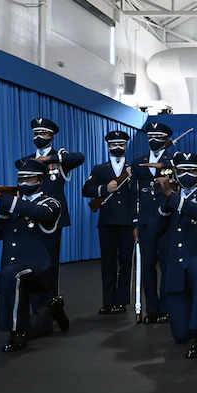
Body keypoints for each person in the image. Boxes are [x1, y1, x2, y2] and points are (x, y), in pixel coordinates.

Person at [0, 158, 65, 353]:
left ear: (41, 180)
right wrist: (2, 211)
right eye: (21, 179)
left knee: (12, 274)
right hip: (14, 266)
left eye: (29, 178)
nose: (24, 183)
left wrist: (1, 197)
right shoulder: (13, 205)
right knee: (10, 274)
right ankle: (48, 312)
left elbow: (36, 212)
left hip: (38, 268)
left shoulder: (51, 203)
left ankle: (16, 333)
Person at [151, 152, 197, 358]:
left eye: (192, 170)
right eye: (182, 170)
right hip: (176, 266)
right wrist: (167, 203)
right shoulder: (170, 199)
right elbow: (153, 231)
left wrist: (173, 198)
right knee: (181, 335)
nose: (187, 175)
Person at [26, 117, 85, 335]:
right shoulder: (28, 160)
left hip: (53, 219)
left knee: (50, 266)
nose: (38, 137)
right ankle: (37, 310)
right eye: (35, 133)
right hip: (33, 219)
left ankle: (50, 307)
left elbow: (79, 157)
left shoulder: (60, 158)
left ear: (51, 135)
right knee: (33, 266)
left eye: (43, 133)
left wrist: (51, 158)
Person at [82, 130, 136, 315]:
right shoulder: (99, 169)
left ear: (126, 146)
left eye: (121, 144)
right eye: (114, 144)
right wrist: (104, 188)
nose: (118, 147)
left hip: (128, 222)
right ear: (108, 147)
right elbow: (86, 190)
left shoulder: (133, 169)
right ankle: (108, 301)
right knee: (108, 263)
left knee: (126, 263)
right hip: (107, 222)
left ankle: (121, 301)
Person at [131, 121, 175, 325]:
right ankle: (153, 309)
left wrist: (164, 166)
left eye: (158, 137)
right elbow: (134, 195)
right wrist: (135, 223)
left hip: (167, 220)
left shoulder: (173, 160)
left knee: (167, 266)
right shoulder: (138, 162)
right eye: (150, 137)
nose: (153, 141)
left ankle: (167, 307)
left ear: (166, 140)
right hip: (146, 222)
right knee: (147, 267)